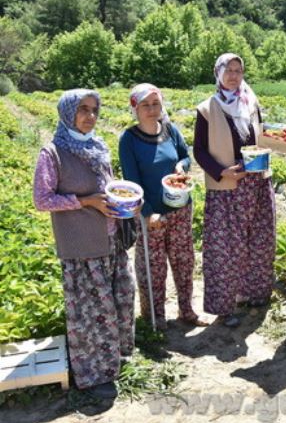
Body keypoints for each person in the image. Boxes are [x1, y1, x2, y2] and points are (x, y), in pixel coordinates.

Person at [33, 89, 135, 400]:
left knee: (120, 299)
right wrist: (84, 201)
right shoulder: (52, 154)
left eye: (94, 110)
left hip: (109, 239)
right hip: (81, 245)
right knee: (92, 313)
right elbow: (42, 199)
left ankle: (115, 360)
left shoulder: (98, 145)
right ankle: (93, 376)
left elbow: (110, 186)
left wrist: (125, 204)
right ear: (67, 113)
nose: (90, 116)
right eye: (83, 110)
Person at [193, 53, 276, 328]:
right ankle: (224, 305)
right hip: (227, 187)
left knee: (259, 240)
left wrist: (264, 152)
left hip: (256, 183)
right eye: (228, 70)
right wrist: (221, 171)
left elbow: (259, 136)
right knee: (225, 248)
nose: (233, 75)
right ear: (218, 73)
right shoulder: (208, 108)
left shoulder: (251, 102)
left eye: (238, 70)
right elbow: (199, 151)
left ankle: (254, 294)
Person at [119, 83, 205, 331]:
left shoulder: (170, 130)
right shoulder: (129, 139)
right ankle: (154, 318)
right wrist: (146, 213)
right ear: (135, 107)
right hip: (151, 214)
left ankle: (186, 311)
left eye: (155, 104)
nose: (151, 109)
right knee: (153, 267)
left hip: (179, 206)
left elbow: (185, 156)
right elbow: (132, 181)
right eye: (145, 105)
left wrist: (182, 167)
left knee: (184, 261)